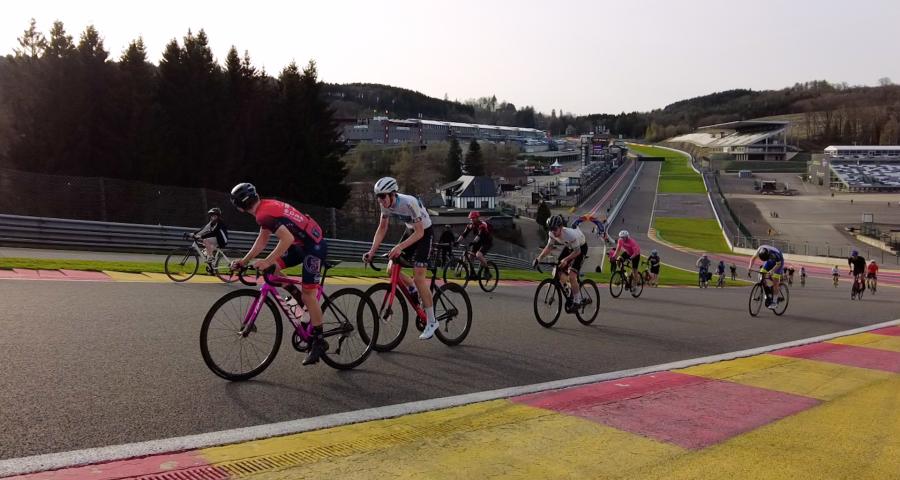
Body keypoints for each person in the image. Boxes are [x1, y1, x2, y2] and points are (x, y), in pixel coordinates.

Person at [229, 183, 328, 365]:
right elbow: (262, 241)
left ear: (240, 208)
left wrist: (266, 260)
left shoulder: (263, 214)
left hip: (313, 247)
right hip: (301, 244)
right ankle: (297, 297)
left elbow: (287, 238)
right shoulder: (265, 207)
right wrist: (244, 261)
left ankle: (319, 341)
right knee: (273, 270)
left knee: (309, 293)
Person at [363, 177, 439, 340]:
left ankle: (432, 321)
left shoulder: (408, 203)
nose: (380, 200)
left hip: (424, 233)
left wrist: (399, 247)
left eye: (383, 196)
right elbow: (382, 228)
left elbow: (420, 233)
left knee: (419, 277)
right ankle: (412, 289)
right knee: (391, 269)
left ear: (393, 194)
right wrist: (372, 251)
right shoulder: (385, 205)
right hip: (411, 232)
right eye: (378, 196)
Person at [534, 215, 588, 310]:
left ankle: (578, 300)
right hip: (569, 246)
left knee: (572, 276)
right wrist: (539, 259)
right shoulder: (552, 233)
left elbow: (577, 252)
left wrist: (566, 259)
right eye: (550, 229)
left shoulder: (570, 234)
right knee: (556, 270)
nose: (553, 231)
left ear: (561, 227)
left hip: (581, 248)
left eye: (555, 229)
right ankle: (566, 287)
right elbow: (549, 247)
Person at [748, 245, 785, 309]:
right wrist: (750, 267)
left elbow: (778, 264)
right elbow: (753, 258)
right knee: (761, 274)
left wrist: (772, 271)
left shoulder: (775, 254)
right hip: (769, 261)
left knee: (775, 281)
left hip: (778, 262)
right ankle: (768, 292)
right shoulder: (760, 249)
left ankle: (774, 302)